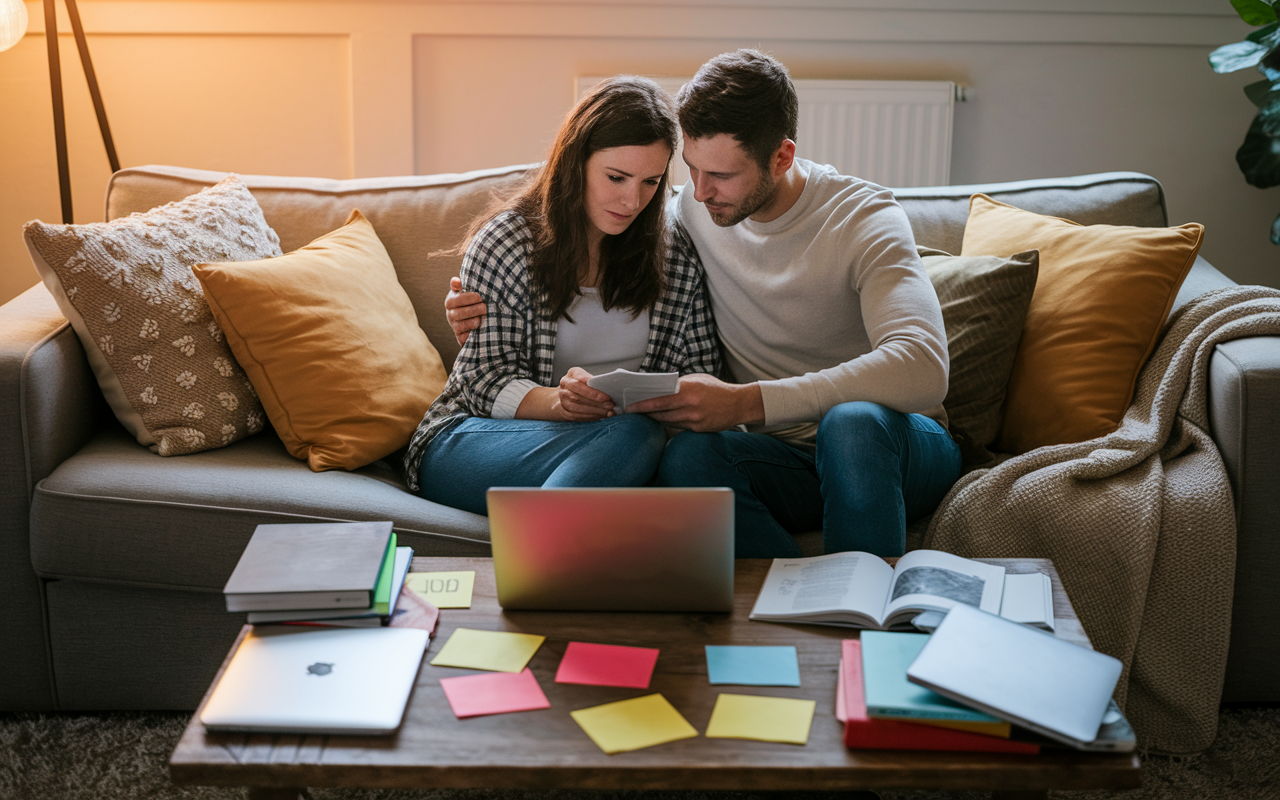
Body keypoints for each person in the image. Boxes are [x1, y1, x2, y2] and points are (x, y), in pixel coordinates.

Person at [446, 51, 959, 557]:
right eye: (690, 169)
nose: (699, 190)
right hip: (778, 458)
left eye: (721, 175)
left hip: (887, 449)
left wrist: (746, 402)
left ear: (781, 157)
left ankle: (866, 613)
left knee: (851, 423)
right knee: (689, 458)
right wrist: (475, 306)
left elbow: (923, 367)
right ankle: (790, 597)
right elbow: (591, 208)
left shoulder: (864, 217)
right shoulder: (691, 215)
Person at [404, 75, 721, 515]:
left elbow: (701, 374)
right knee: (631, 437)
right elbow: (481, 382)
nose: (632, 200)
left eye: (650, 182)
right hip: (476, 436)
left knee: (669, 451)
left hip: (621, 446)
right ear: (577, 163)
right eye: (616, 177)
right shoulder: (508, 241)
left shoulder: (674, 254)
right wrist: (561, 403)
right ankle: (545, 557)